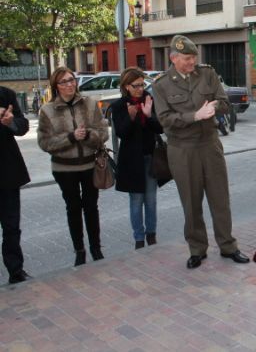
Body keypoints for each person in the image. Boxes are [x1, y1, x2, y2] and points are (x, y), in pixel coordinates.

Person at [153, 35, 249, 269]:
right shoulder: (161, 84)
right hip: (182, 149)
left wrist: (215, 106)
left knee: (220, 199)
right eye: (187, 58)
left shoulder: (207, 74)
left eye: (194, 57)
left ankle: (228, 246)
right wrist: (194, 116)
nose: (192, 62)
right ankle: (197, 249)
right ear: (174, 58)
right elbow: (165, 119)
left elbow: (225, 103)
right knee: (191, 202)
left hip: (209, 144)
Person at [37, 67, 109, 267]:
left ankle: (96, 248)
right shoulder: (47, 110)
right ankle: (79, 250)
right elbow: (44, 143)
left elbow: (103, 132)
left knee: (91, 207)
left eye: (71, 80)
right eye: (64, 82)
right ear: (56, 86)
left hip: (89, 165)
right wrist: (70, 137)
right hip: (64, 169)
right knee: (73, 209)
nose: (69, 84)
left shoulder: (89, 103)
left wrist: (88, 136)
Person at [110, 67, 165, 250]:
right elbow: (121, 133)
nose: (141, 89)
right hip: (131, 161)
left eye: (142, 85)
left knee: (151, 200)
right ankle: (139, 238)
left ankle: (151, 235)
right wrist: (131, 117)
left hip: (150, 158)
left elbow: (160, 128)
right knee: (136, 201)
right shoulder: (119, 106)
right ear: (126, 86)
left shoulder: (149, 100)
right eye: (136, 86)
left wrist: (148, 116)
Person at [0, 86, 32, 284]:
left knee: (11, 226)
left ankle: (15, 270)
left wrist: (11, 122)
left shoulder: (6, 94)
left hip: (7, 172)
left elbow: (23, 125)